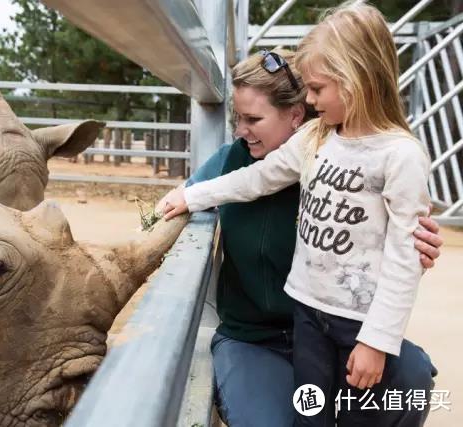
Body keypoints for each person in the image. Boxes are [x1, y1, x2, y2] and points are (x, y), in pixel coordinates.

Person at [158, 6, 443, 427]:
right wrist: (187, 195)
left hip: (346, 325)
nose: (240, 130)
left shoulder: (386, 154)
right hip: (274, 330)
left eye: (253, 119)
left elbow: (403, 248)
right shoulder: (286, 147)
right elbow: (250, 179)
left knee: (403, 386)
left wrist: (379, 333)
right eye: (238, 118)